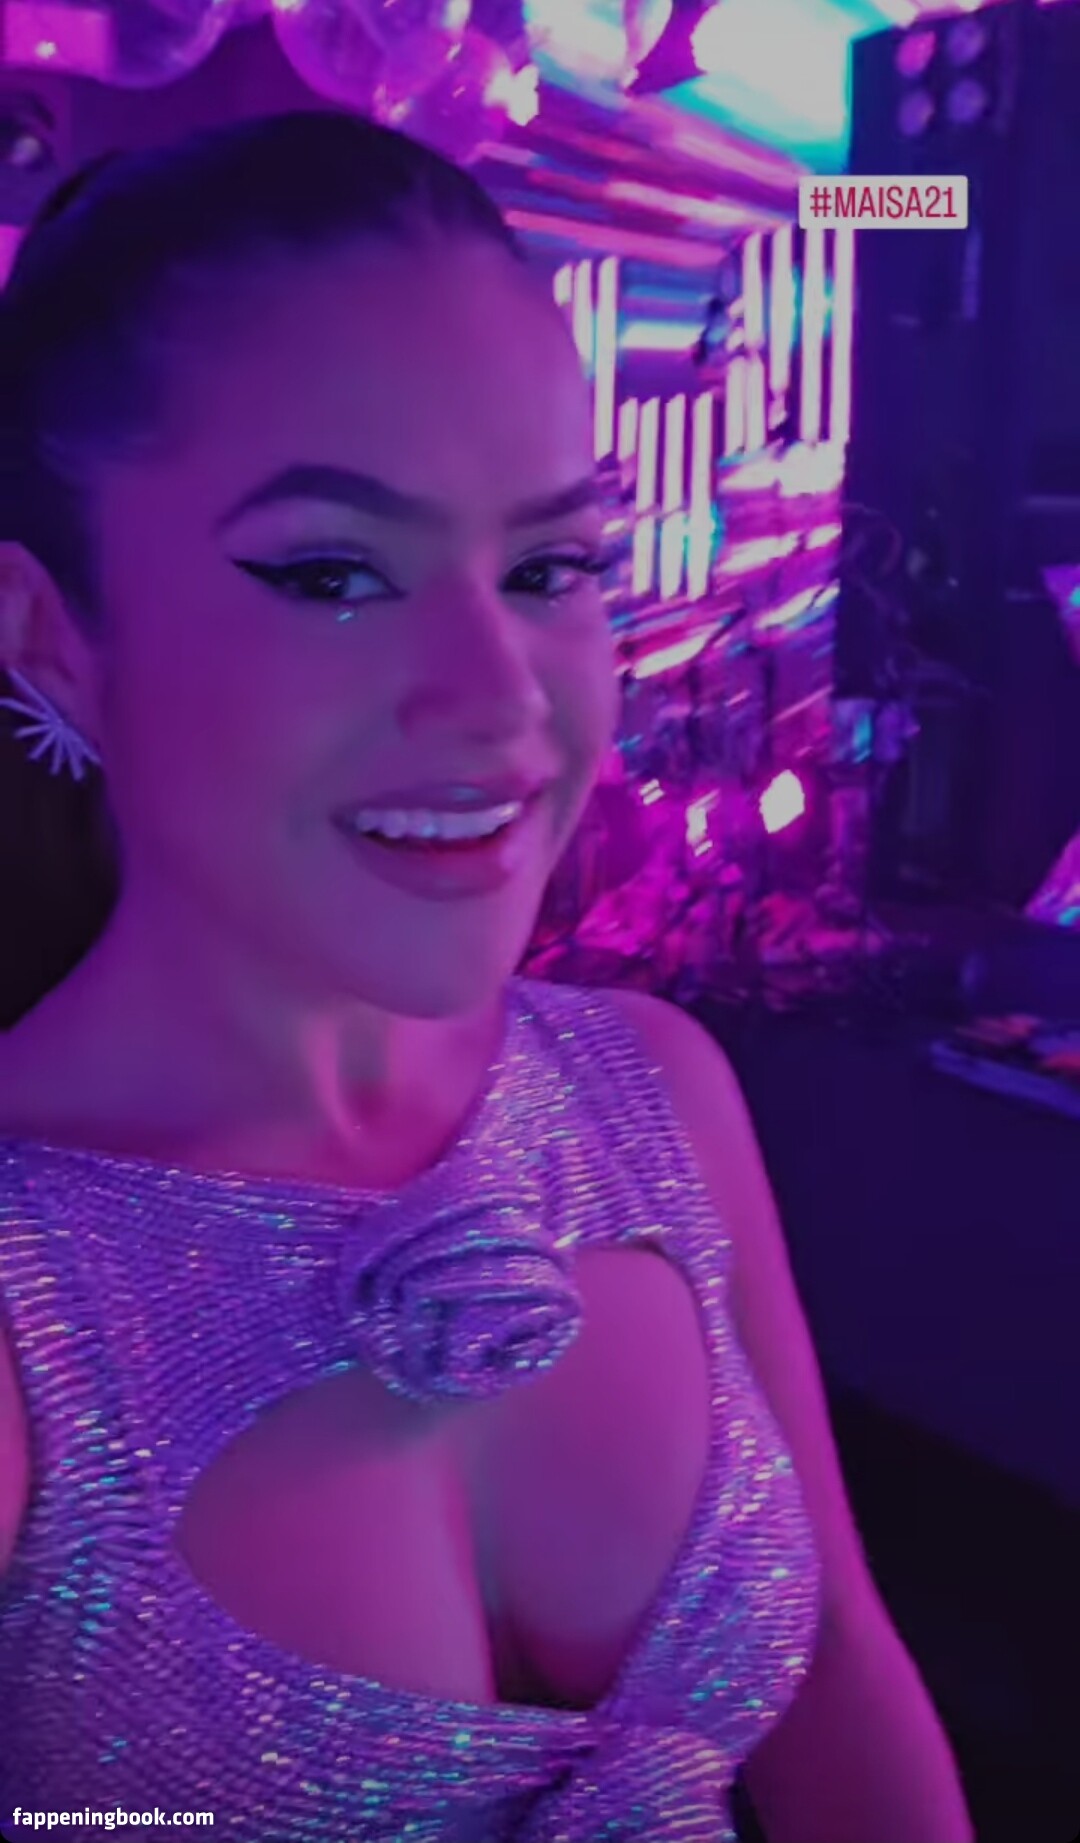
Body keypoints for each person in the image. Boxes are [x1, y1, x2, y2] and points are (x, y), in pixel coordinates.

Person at [0, 111, 972, 1843]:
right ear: (49, 640)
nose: (503, 695)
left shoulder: (651, 1086)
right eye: (334, 573)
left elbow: (840, 1683)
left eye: (550, 567)